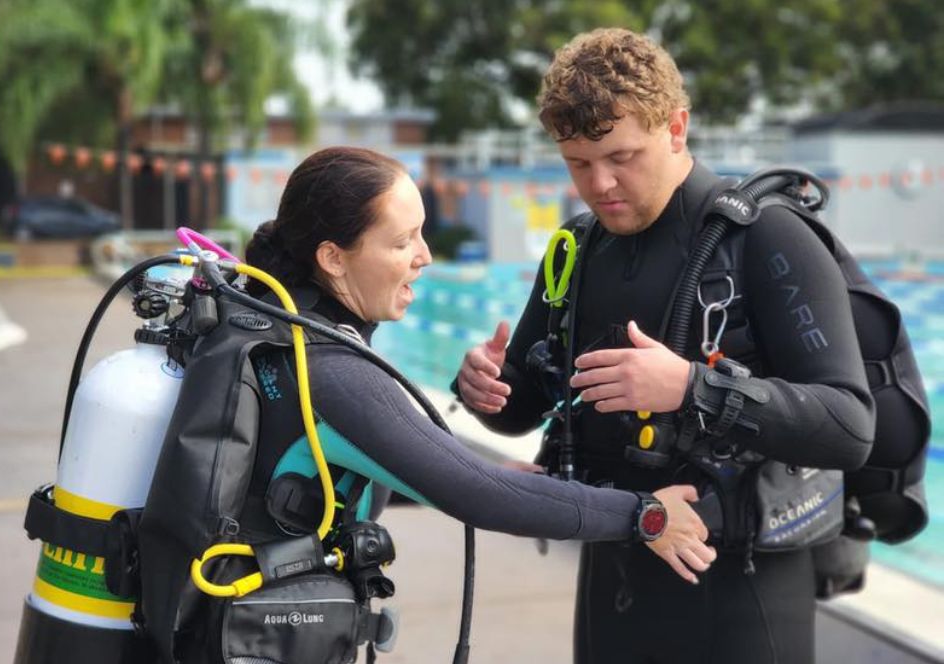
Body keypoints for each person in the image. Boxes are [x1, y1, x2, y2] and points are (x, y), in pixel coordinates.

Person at [454, 28, 875, 664]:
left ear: (676, 127)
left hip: (742, 591)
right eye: (578, 163)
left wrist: (689, 386)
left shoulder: (768, 239)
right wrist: (486, 389)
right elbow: (521, 411)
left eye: (622, 156)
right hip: (614, 573)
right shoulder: (577, 248)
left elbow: (849, 426)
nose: (600, 185)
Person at [238, 146, 714, 576]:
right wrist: (645, 516)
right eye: (402, 241)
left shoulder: (278, 328)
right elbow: (480, 495)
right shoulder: (332, 371)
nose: (424, 256)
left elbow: (401, 463)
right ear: (333, 258)